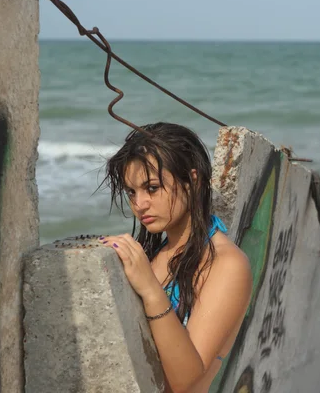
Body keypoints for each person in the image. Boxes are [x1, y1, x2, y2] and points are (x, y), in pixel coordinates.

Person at [98, 122, 252, 393]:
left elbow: (185, 380)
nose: (140, 204)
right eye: (132, 192)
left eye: (152, 188)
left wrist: (150, 290)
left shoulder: (227, 264)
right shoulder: (152, 256)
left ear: (193, 181)